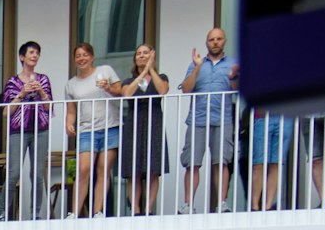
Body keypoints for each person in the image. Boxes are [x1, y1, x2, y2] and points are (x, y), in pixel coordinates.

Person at [179, 28, 240, 214]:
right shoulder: (196, 64)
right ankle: (188, 204)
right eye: (211, 39)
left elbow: (237, 90)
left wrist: (235, 77)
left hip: (223, 119)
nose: (215, 42)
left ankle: (221, 203)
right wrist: (197, 67)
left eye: (218, 39)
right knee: (193, 163)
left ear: (224, 41)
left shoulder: (233, 64)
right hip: (198, 119)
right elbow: (186, 89)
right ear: (207, 43)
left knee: (221, 162)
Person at [63, 42, 123, 218]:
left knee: (104, 169)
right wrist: (68, 124)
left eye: (85, 55)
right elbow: (71, 111)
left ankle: (98, 211)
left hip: (110, 126)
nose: (81, 59)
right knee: (83, 169)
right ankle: (74, 212)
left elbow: (120, 91)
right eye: (78, 56)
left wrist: (108, 88)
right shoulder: (71, 84)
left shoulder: (105, 70)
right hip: (86, 130)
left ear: (92, 56)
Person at [1, 41, 54, 222]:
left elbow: (48, 108)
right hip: (18, 131)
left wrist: (41, 92)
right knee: (14, 172)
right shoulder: (13, 82)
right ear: (22, 57)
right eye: (31, 52)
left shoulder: (44, 79)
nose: (35, 55)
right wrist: (22, 93)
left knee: (37, 173)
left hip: (40, 129)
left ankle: (35, 214)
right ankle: (4, 213)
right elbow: (7, 111)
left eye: (37, 53)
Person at [116, 43, 170, 215]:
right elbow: (126, 93)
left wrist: (151, 70)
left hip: (154, 121)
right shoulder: (129, 80)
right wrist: (142, 74)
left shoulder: (161, 76)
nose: (141, 55)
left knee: (153, 169)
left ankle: (149, 208)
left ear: (152, 56)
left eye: (145, 53)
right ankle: (136, 210)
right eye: (138, 53)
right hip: (134, 123)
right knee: (134, 169)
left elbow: (162, 91)